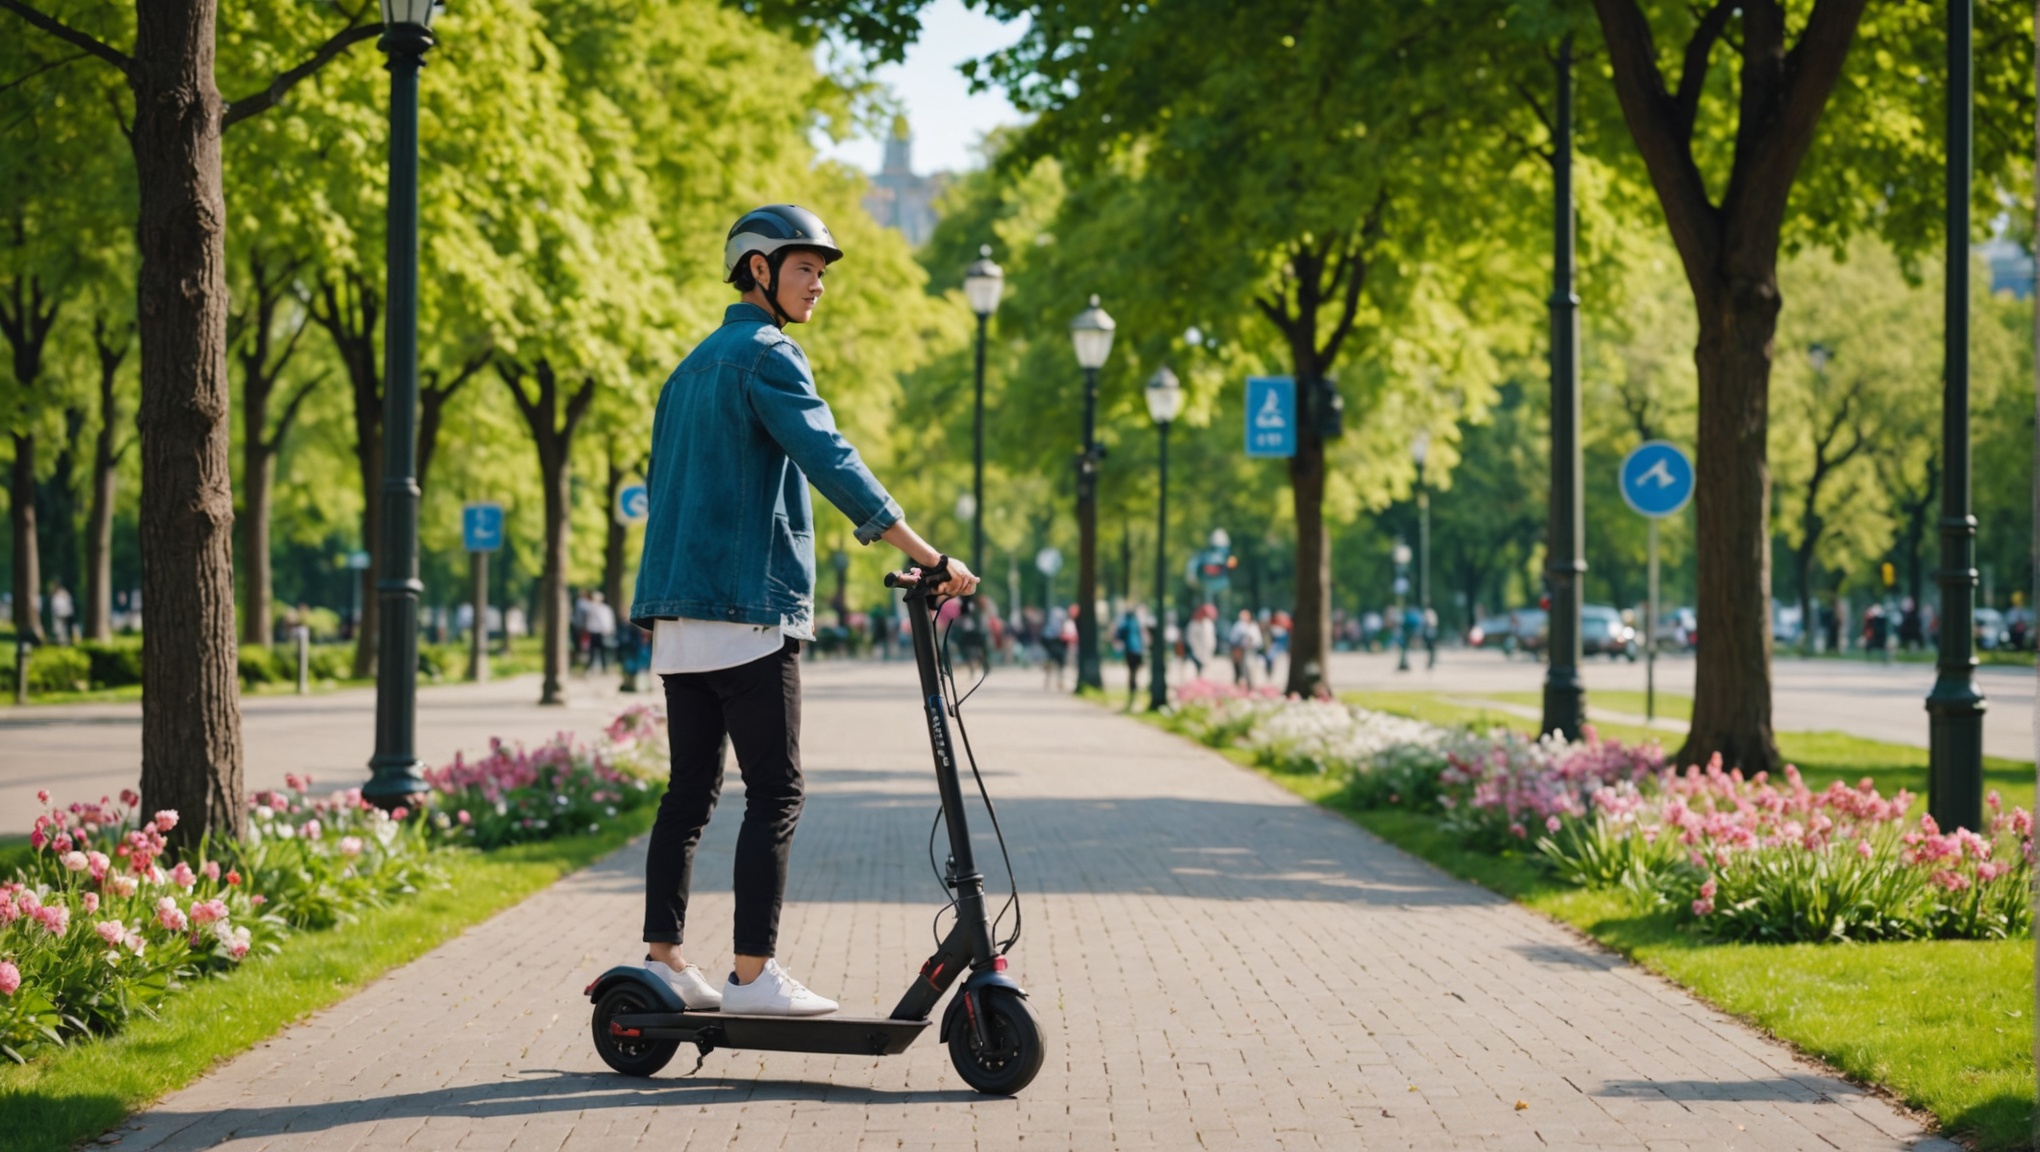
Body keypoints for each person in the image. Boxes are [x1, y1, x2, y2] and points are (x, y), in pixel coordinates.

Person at [628, 205, 977, 1018]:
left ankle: (665, 959)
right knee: (776, 791)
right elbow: (831, 458)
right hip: (747, 608)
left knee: (689, 793)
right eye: (803, 269)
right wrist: (929, 556)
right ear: (757, 269)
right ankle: (753, 975)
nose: (818, 285)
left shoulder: (686, 370)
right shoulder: (767, 354)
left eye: (822, 272)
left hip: (680, 617)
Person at [1113, 605, 1145, 707]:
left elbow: (1119, 634)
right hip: (1138, 650)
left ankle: (1132, 690)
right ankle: (1134, 690)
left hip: (1131, 650)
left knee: (1131, 672)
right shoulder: (1137, 622)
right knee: (1135, 671)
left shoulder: (1126, 622)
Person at [584, 591, 618, 673]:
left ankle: (605, 667)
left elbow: (608, 621)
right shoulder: (591, 608)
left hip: (603, 632)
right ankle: (591, 667)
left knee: (603, 651)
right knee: (592, 651)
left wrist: (609, 630)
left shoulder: (605, 609)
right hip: (593, 631)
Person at [1227, 609, 1261, 687]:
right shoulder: (1238, 626)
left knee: (1249, 667)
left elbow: (1258, 641)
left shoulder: (1253, 627)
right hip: (1238, 650)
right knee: (1238, 668)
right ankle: (1238, 683)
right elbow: (1233, 639)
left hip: (1249, 651)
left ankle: (1250, 684)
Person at [1185, 603, 1216, 681]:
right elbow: (1191, 641)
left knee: (1205, 674)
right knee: (1193, 673)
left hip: (1207, 653)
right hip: (1195, 654)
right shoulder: (1193, 625)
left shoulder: (1208, 624)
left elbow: (1211, 639)